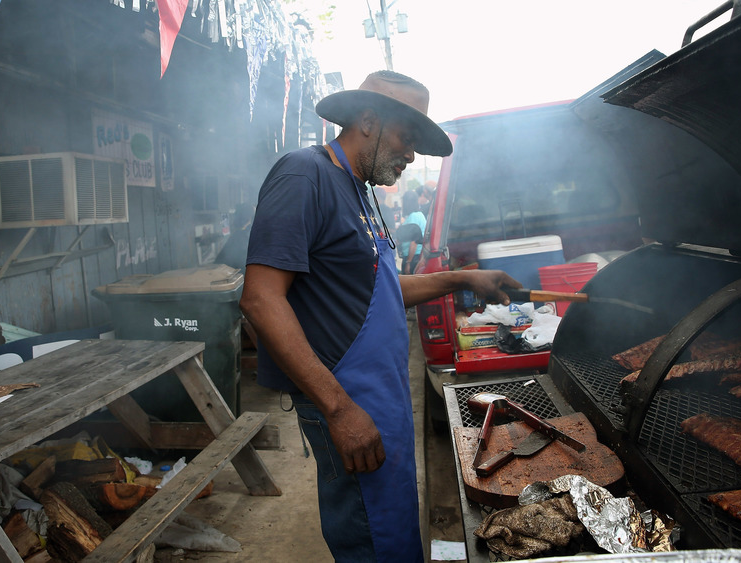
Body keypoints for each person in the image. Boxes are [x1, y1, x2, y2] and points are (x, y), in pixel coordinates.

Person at [240, 70, 520, 562]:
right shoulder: (304, 175)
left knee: (393, 529)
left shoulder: (359, 191)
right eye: (405, 137)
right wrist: (340, 410)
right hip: (347, 400)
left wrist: (461, 279)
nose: (411, 155)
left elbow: (379, 292)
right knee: (370, 540)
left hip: (382, 396)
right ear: (367, 120)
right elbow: (261, 299)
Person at [215, 203, 255, 270]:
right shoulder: (247, 233)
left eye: (236, 216)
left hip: (239, 274)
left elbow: (220, 261)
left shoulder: (240, 236)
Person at [397, 195, 426, 274]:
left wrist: (408, 263)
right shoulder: (418, 215)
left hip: (412, 258)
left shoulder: (414, 217)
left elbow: (414, 242)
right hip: (416, 255)